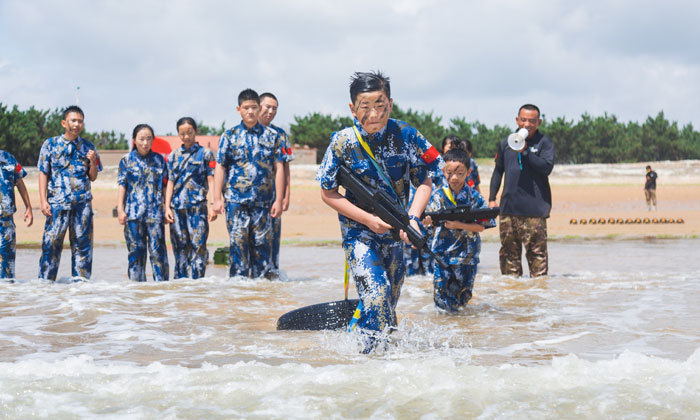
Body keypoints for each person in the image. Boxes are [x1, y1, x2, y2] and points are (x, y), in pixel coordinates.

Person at [316, 71, 443, 351]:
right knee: (376, 294)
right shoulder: (342, 142)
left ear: (391, 104)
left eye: (380, 105)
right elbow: (327, 192)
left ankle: (369, 360)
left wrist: (413, 218)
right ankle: (367, 360)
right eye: (365, 107)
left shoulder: (406, 135)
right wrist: (368, 220)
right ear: (352, 108)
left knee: (387, 307)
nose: (374, 114)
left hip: (397, 232)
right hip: (359, 233)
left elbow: (426, 178)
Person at [213, 89, 285, 279]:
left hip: (263, 204)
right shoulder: (229, 136)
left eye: (254, 107)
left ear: (259, 108)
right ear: (239, 109)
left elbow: (279, 168)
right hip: (236, 203)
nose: (250, 112)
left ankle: (260, 297)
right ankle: (239, 297)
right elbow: (220, 167)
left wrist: (279, 199)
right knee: (238, 247)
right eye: (246, 108)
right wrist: (216, 199)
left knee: (262, 250)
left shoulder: (272, 136)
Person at [422, 143, 495, 311]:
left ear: (469, 173)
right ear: (442, 172)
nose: (454, 177)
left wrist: (458, 224)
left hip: (467, 257)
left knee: (463, 299)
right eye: (449, 173)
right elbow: (428, 224)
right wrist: (427, 222)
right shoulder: (438, 196)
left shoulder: (474, 197)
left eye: (460, 173)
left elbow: (482, 227)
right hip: (442, 256)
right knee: (441, 301)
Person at [37, 105, 102, 281]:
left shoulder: (88, 146)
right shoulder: (50, 145)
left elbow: (93, 177)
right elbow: (43, 173)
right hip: (57, 204)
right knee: (51, 246)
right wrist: (43, 201)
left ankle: (80, 289)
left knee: (82, 248)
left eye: (80, 121)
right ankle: (45, 286)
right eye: (73, 120)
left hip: (82, 206)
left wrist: (93, 162)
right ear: (64, 123)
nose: (77, 124)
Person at [489, 104, 554, 278]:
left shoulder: (544, 143)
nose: (527, 124)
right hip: (509, 209)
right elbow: (498, 171)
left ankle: (537, 298)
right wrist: (491, 198)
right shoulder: (506, 142)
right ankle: (513, 298)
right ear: (517, 120)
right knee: (509, 257)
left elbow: (546, 168)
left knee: (537, 257)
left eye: (532, 121)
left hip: (534, 211)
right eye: (523, 120)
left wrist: (526, 152)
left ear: (538, 122)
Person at [164, 117, 217, 279]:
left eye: (189, 132)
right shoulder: (173, 156)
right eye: (182, 134)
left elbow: (211, 179)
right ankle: (181, 285)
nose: (186, 137)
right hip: (177, 209)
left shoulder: (206, 154)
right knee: (179, 248)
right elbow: (170, 183)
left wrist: (214, 203)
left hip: (198, 208)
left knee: (198, 246)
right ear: (178, 135)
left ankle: (198, 284)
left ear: (196, 131)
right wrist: (166, 208)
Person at [117, 124, 169, 282]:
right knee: (136, 253)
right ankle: (137, 292)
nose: (145, 143)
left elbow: (166, 185)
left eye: (148, 139)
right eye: (141, 139)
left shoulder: (159, 160)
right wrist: (120, 209)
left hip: (155, 215)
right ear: (134, 140)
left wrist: (167, 208)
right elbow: (122, 185)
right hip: (133, 215)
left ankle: (161, 290)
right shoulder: (126, 160)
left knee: (158, 254)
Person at [258, 92, 294, 270]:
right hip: (247, 199)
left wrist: (285, 197)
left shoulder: (280, 135)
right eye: (268, 107)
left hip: (273, 198)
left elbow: (285, 168)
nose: (271, 111)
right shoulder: (243, 133)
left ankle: (271, 283)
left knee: (271, 243)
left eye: (275, 108)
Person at [0, 150, 33, 279]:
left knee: (8, 268)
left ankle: (7, 297)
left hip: (6, 222)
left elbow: (19, 183)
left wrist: (28, 208)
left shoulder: (8, 158)